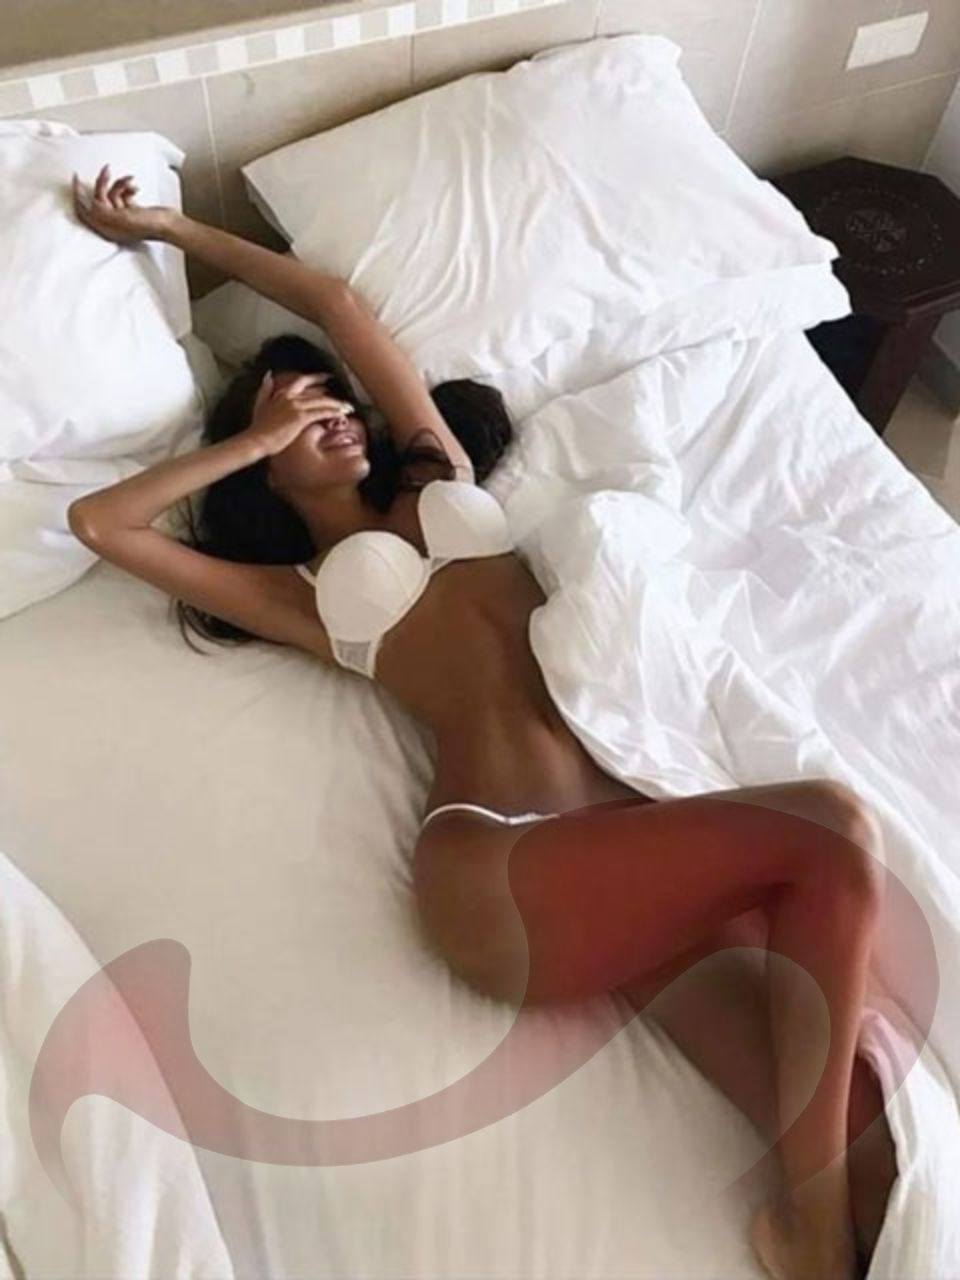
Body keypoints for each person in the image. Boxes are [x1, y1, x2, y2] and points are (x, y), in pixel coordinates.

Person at [69, 164, 899, 1280]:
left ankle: (818, 1237)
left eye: (334, 401)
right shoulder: (303, 596)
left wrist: (175, 224)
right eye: (298, 412)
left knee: (871, 1143)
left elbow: (339, 305)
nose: (334, 414)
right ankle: (805, 1230)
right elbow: (102, 523)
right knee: (831, 829)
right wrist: (251, 438)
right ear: (263, 467)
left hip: (626, 847)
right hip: (498, 867)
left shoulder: (437, 470)